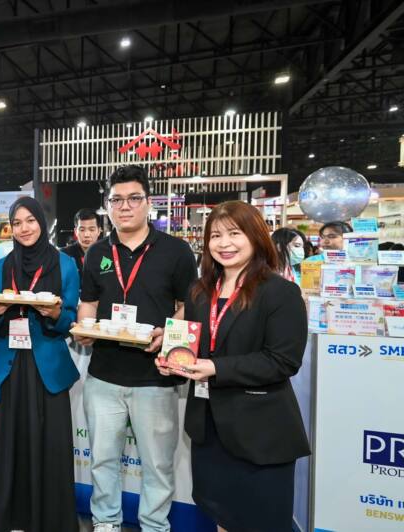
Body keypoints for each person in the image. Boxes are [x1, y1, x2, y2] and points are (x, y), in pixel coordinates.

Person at [156, 200, 309, 532]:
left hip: (259, 432)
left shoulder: (280, 292)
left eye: (234, 233)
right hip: (209, 429)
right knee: (222, 515)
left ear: (255, 236)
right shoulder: (199, 291)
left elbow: (282, 361)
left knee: (262, 520)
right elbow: (194, 347)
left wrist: (215, 368)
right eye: (216, 235)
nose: (224, 244)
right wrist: (174, 361)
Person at [73, 165, 197, 532]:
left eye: (133, 198)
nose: (124, 206)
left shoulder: (176, 251)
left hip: (155, 378)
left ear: (148, 202)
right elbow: (88, 302)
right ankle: (105, 522)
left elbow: (186, 307)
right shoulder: (97, 252)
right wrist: (84, 328)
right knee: (102, 461)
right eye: (116, 200)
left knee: (157, 464)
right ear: (107, 205)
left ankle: (154, 526)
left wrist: (168, 337)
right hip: (103, 376)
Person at [0, 197, 80, 532]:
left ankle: (50, 520)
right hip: (9, 366)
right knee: (10, 444)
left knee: (49, 446)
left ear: (42, 222)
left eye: (31, 221)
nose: (24, 228)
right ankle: (13, 518)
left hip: (47, 367)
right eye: (17, 222)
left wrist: (55, 314)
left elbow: (69, 322)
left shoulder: (65, 265)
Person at [61, 207, 102, 278]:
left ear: (99, 231)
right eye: (82, 230)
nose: (86, 235)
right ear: (76, 231)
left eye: (91, 230)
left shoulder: (106, 253)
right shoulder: (64, 255)